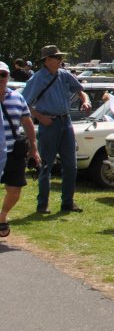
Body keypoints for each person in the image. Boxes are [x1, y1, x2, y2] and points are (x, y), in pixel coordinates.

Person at [24, 45, 89, 213]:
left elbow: (81, 90)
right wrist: (41, 118)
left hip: (65, 122)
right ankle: (42, 204)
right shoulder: (37, 78)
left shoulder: (64, 75)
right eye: (56, 57)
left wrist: (85, 100)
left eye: (61, 57)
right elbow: (24, 104)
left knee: (71, 165)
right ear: (46, 60)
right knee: (46, 165)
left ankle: (68, 202)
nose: (60, 60)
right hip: (49, 123)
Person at [1, 61, 41, 238]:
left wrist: (34, 149)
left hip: (13, 151)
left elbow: (27, 123)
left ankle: (2, 216)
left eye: (3, 75)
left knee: (15, 189)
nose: (0, 79)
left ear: (8, 76)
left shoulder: (17, 98)